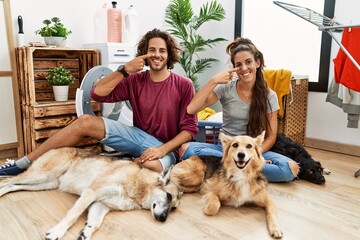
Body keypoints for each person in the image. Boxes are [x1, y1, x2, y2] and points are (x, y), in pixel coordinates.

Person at [0, 28, 198, 176]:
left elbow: (189, 130)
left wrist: (162, 149)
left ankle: (129, 162)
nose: (157, 54)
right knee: (85, 121)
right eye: (152, 50)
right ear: (144, 53)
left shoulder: (183, 84)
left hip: (167, 148)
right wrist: (124, 70)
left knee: (150, 167)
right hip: (139, 138)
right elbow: (97, 94)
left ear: (169, 54)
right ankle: (24, 163)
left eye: (162, 50)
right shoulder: (135, 80)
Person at [179, 37, 299, 182]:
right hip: (226, 150)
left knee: (291, 168)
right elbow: (191, 109)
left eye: (248, 62)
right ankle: (246, 171)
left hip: (252, 150)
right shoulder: (225, 88)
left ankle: (229, 170)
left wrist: (255, 156)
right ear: (234, 68)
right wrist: (214, 81)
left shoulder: (269, 96)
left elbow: (271, 137)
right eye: (238, 64)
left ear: (257, 62)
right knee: (186, 149)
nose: (244, 68)